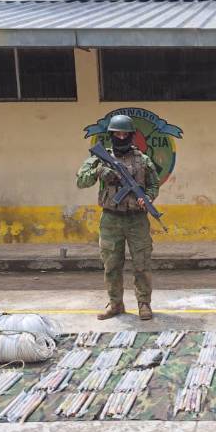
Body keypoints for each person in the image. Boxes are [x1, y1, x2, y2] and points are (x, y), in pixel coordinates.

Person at [76, 114, 159, 320]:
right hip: (111, 219)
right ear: (111, 135)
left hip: (137, 219)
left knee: (141, 263)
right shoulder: (99, 158)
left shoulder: (143, 159)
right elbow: (81, 181)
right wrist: (99, 171)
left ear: (131, 135)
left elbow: (154, 185)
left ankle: (144, 304)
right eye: (117, 134)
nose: (121, 137)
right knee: (111, 264)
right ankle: (115, 304)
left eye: (125, 134)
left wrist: (147, 197)